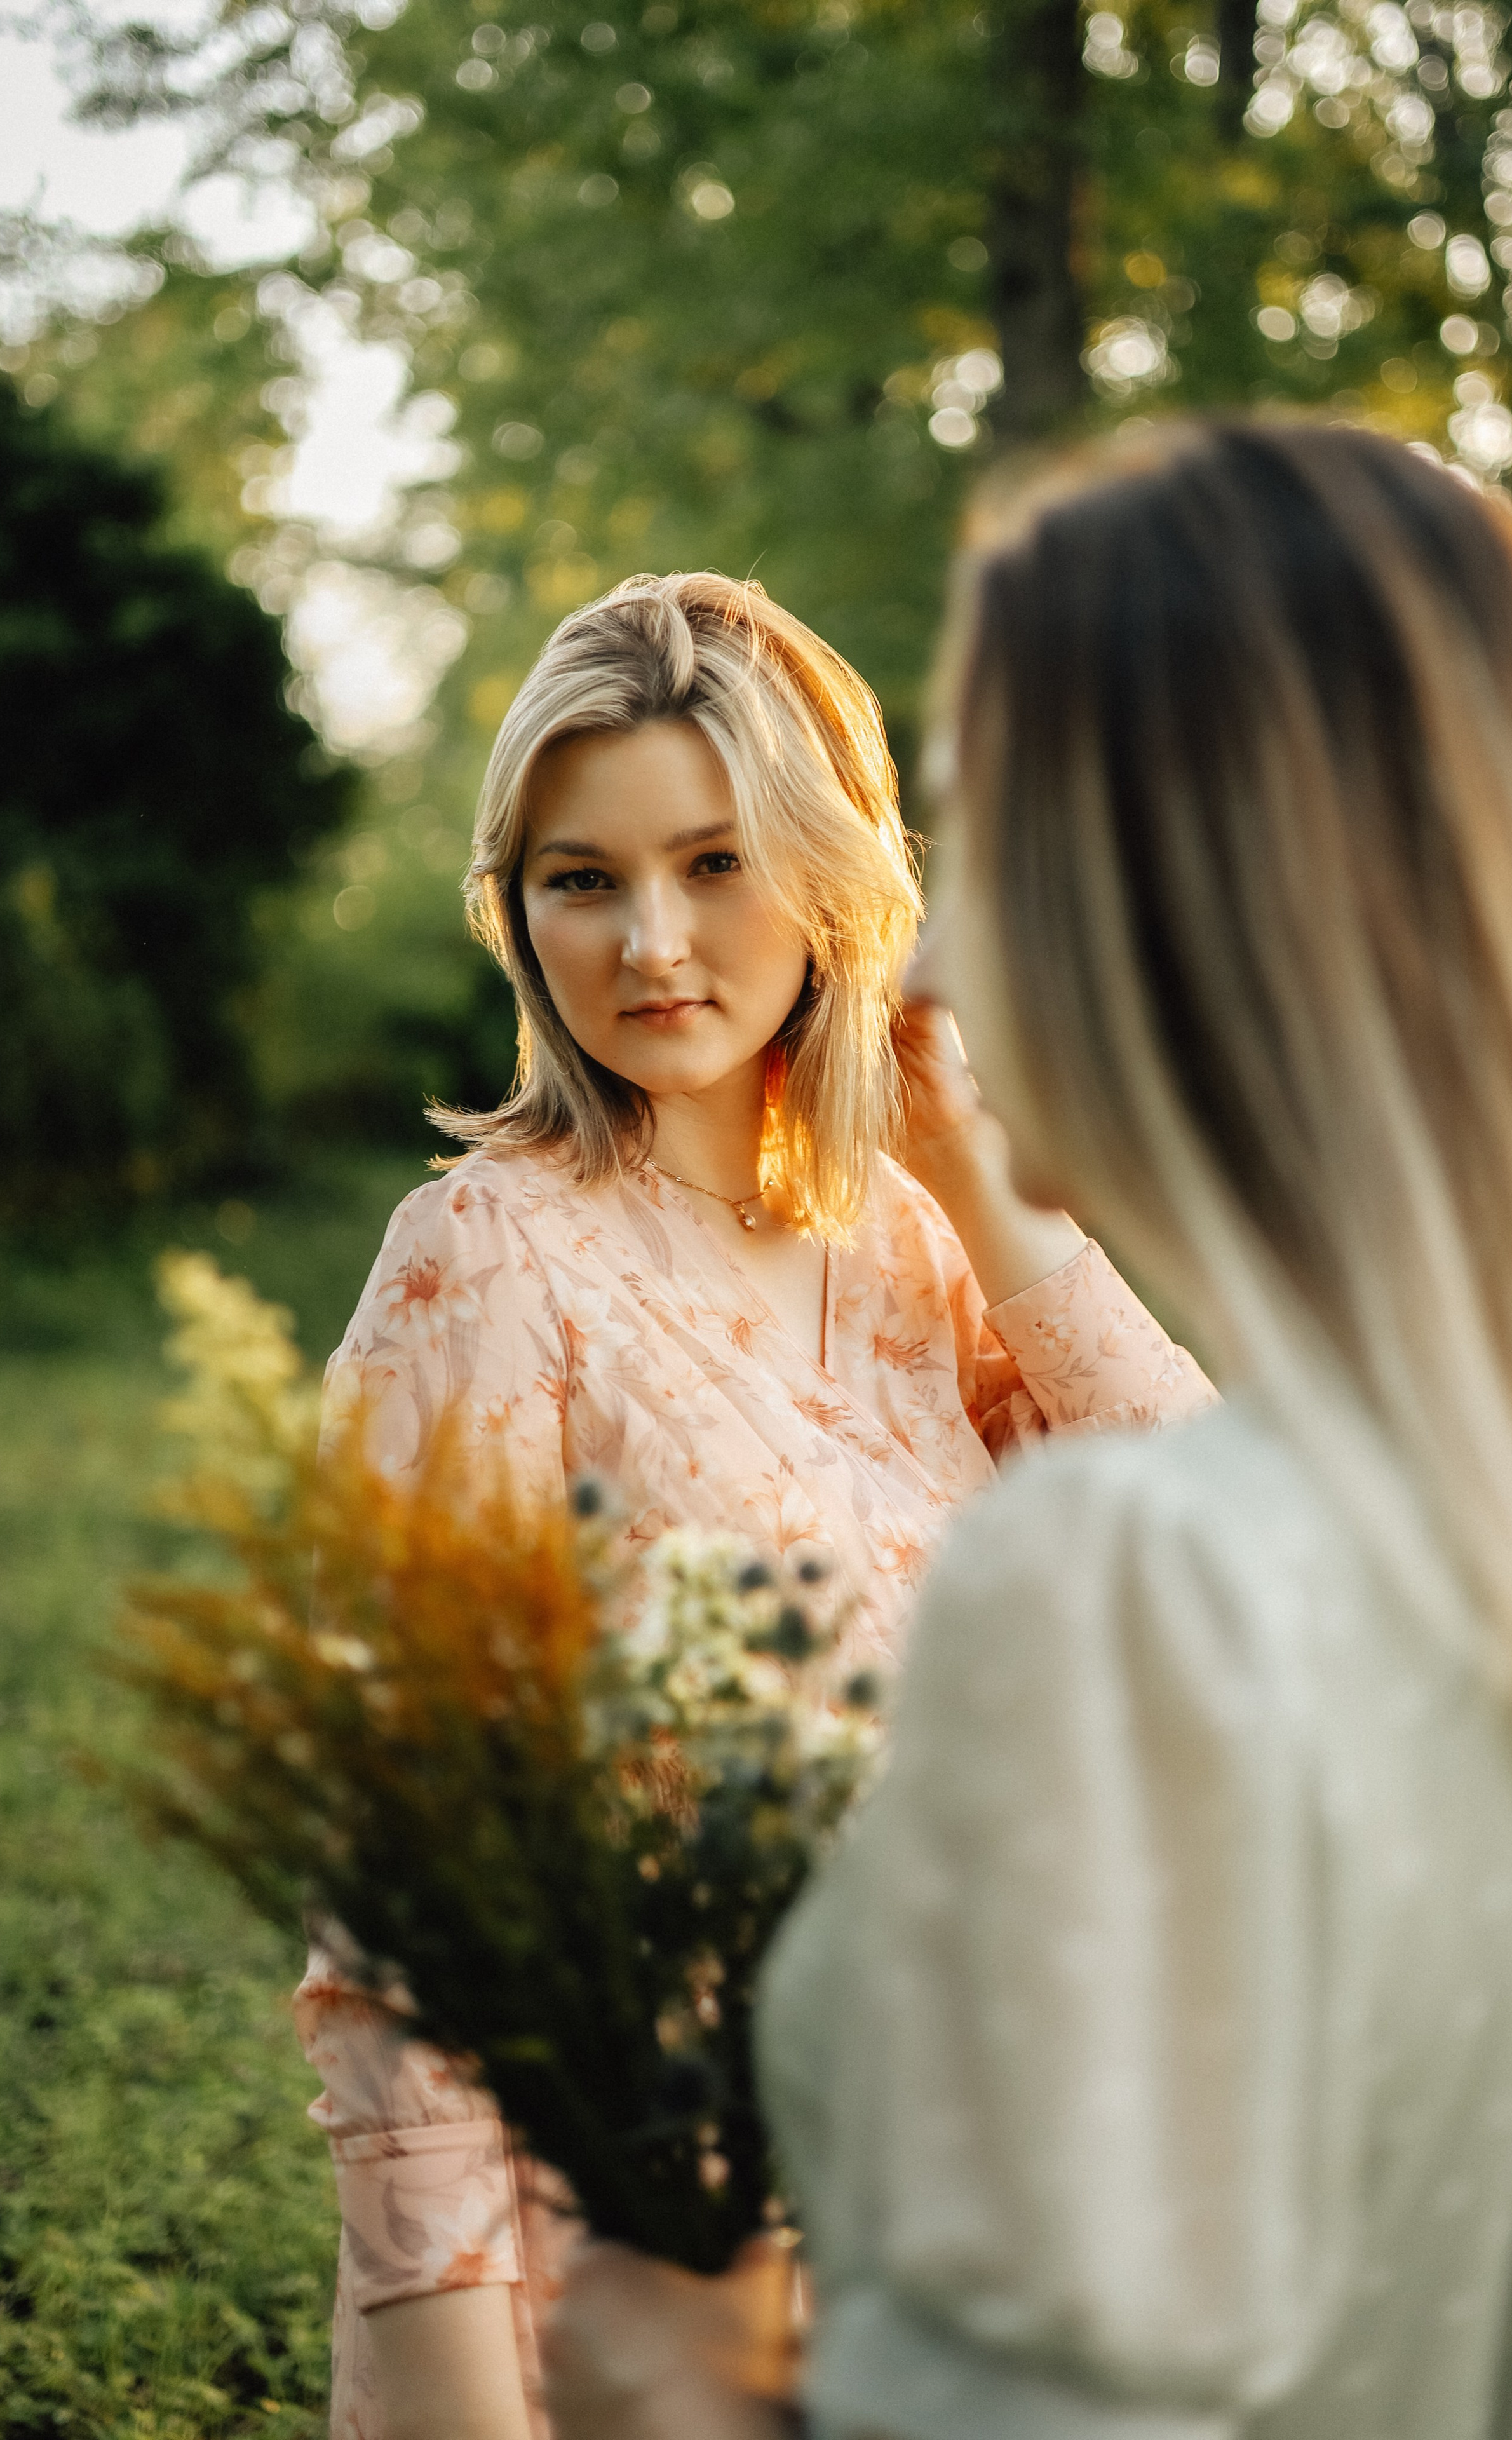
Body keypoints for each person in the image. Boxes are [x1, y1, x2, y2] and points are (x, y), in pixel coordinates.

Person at [550, 421, 1512, 2439]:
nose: (928, 950)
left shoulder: (1148, 1586)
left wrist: (686, 2402)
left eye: (982, 837)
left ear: (1169, 911)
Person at [293, 572, 1215, 2440]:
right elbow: (413, 1907)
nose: (652, 941)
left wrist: (991, 1191)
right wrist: (460, 2389)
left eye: (718, 864)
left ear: (830, 874)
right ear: (516, 906)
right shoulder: (488, 1267)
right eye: (583, 878)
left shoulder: (918, 1248)